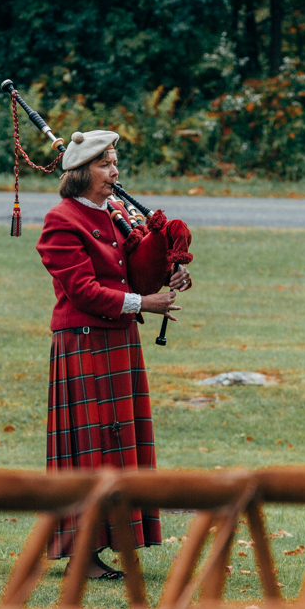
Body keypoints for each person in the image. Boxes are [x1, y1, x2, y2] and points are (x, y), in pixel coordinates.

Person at [36, 130, 193, 579]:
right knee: (90, 448)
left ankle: (115, 537)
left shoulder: (117, 213)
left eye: (115, 162)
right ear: (81, 172)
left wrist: (167, 259)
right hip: (83, 340)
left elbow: (138, 275)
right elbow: (83, 291)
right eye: (105, 164)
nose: (115, 172)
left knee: (118, 442)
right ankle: (82, 552)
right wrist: (145, 305)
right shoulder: (61, 222)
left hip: (118, 340)